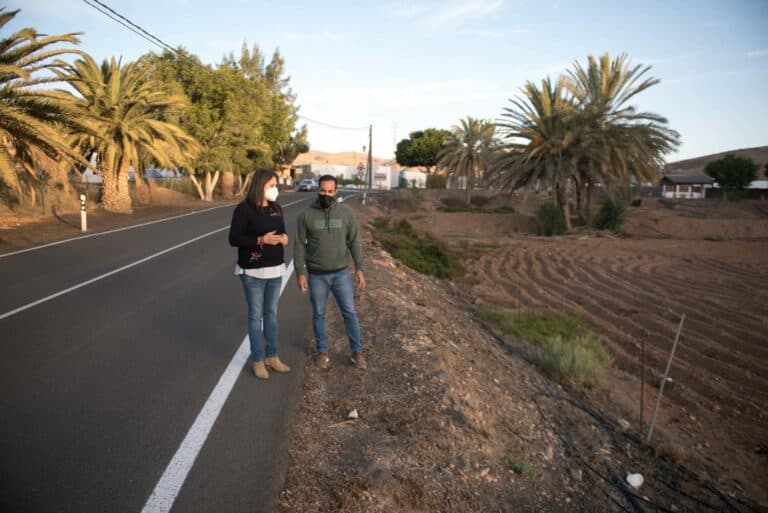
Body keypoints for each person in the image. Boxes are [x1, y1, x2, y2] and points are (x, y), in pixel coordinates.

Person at [294, 175, 367, 370]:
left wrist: (359, 268)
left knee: (350, 312)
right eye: (322, 191)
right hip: (316, 275)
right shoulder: (306, 215)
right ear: (317, 190)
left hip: (341, 274)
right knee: (319, 314)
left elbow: (354, 241)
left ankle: (357, 353)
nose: (325, 194)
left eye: (329, 191)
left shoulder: (346, 214)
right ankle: (322, 352)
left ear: (336, 192)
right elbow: (299, 245)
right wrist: (300, 272)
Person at [229, 168, 291, 379]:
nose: (275, 189)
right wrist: (261, 240)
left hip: (276, 270)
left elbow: (282, 230)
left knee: (271, 315)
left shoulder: (276, 208)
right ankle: (257, 359)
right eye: (271, 186)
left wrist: (284, 238)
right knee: (256, 317)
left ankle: (272, 357)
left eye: (275, 185)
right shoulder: (244, 209)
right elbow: (234, 239)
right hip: (252, 272)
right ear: (260, 186)